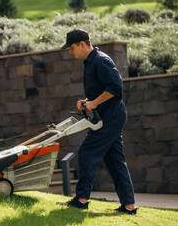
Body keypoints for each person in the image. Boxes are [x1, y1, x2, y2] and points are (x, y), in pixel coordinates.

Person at [58, 29, 137, 215]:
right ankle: (129, 206)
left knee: (87, 151)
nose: (71, 52)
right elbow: (101, 91)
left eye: (71, 48)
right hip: (108, 114)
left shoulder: (101, 60)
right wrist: (87, 101)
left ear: (82, 44)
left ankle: (82, 199)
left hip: (111, 115)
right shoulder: (90, 62)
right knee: (115, 160)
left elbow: (115, 87)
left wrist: (94, 102)